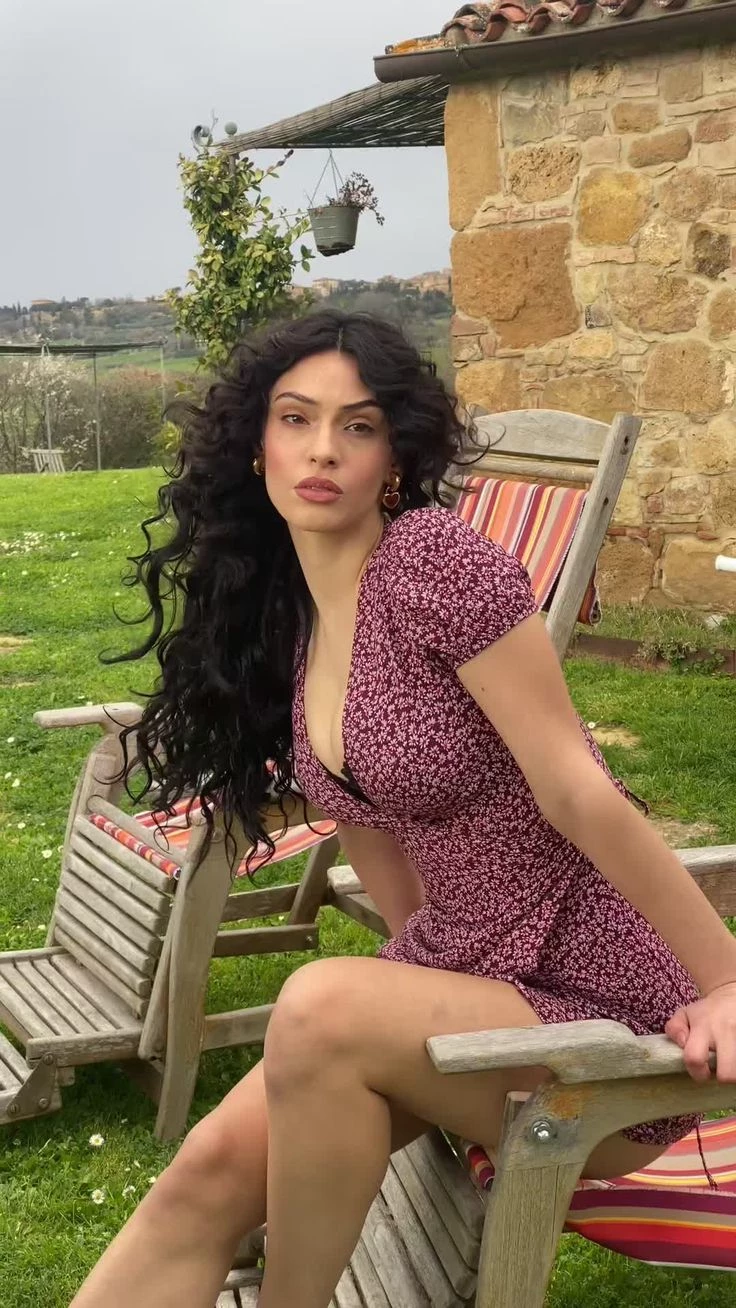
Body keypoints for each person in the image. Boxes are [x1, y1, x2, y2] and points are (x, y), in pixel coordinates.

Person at [71, 310, 736, 1308]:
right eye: (296, 419)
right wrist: (396, 1010)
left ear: (393, 460)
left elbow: (575, 786)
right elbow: (387, 864)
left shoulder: (433, 563)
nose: (322, 449)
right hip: (470, 983)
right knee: (201, 1181)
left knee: (319, 1007)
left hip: (599, 1005)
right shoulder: (291, 617)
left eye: (358, 425)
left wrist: (725, 981)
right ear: (256, 446)